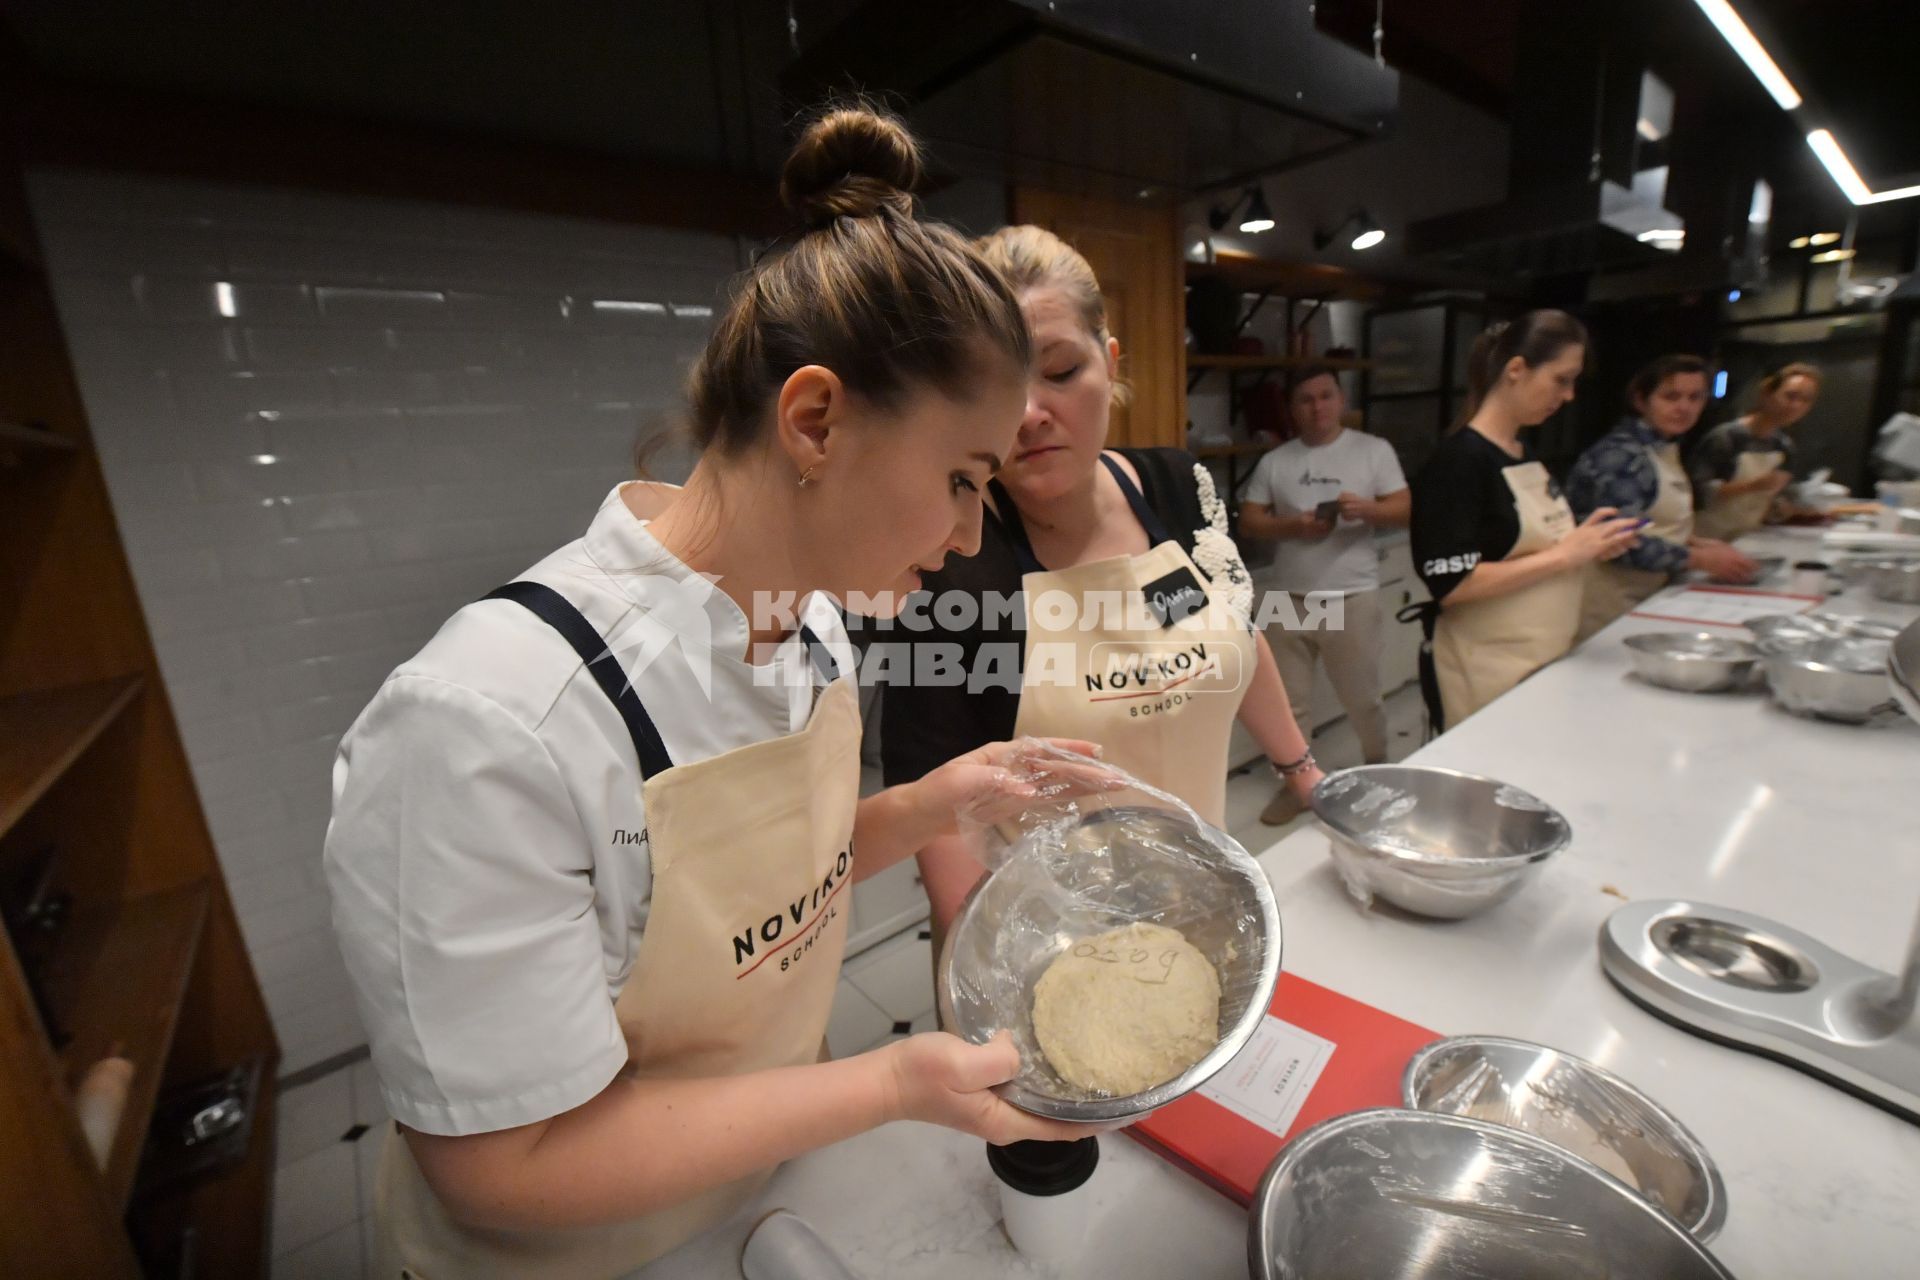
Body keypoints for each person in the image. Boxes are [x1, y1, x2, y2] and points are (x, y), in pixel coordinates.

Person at [324, 105, 1107, 1280]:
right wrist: (894, 1079)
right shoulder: (492, 722)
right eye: (959, 476)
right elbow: (502, 1159)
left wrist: (931, 802)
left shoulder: (818, 620)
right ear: (814, 419)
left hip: (759, 1186)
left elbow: (764, 883)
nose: (964, 533)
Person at [873, 224, 1324, 940]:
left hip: (1199, 890)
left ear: (1109, 363)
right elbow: (932, 807)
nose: (1028, 414)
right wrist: (988, 966)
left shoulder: (1176, 487)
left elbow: (1237, 635)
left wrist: (1304, 773)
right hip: (1043, 934)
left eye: (1058, 371)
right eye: (996, 385)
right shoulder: (948, 560)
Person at [1409, 311, 1641, 730]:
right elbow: (1452, 584)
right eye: (1561, 379)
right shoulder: (1459, 462)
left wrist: (1590, 542)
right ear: (1516, 370)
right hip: (1487, 671)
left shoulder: (1523, 454)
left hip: (1543, 658)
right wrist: (1566, 557)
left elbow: (1532, 546)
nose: (1569, 395)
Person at [1238, 365, 1409, 824]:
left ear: (1341, 400)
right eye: (1305, 399)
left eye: (1326, 396)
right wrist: (1293, 525)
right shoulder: (1278, 460)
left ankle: (1381, 770)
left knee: (1362, 697)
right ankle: (1296, 785)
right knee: (1289, 704)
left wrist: (1366, 510)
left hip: (1350, 595)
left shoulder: (1373, 451)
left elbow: (1406, 510)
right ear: (1293, 409)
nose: (1317, 407)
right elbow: (1249, 520)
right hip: (1288, 596)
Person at [1568, 354, 1758, 641]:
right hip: (1607, 604)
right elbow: (1621, 542)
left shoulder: (1663, 448)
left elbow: (1650, 520)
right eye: (1671, 396)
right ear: (1641, 400)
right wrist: (1701, 559)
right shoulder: (1623, 456)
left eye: (1695, 397)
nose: (1684, 407)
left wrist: (1694, 541)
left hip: (1645, 595)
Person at [1689, 361, 1822, 539]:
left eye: (1805, 400)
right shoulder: (1727, 437)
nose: (1796, 406)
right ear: (1767, 393)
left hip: (1749, 536)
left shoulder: (1784, 446)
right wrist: (1753, 486)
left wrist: (1784, 508)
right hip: (1709, 536)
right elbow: (1698, 491)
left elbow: (1774, 504)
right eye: (1790, 396)